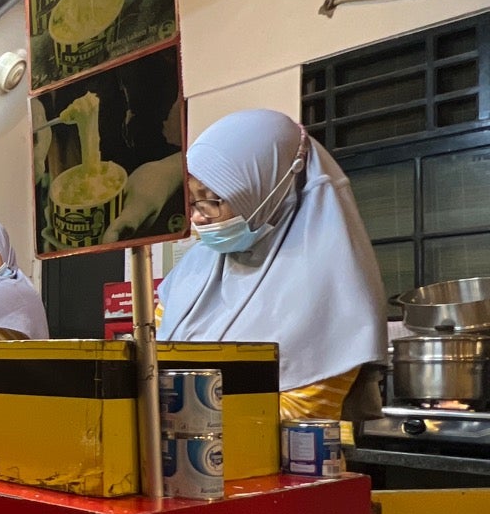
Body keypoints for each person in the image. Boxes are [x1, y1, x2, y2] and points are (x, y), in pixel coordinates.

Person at [157, 109, 386, 422]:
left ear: (271, 190)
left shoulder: (331, 289)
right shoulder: (190, 274)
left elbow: (302, 415)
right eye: (192, 200)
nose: (197, 217)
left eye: (213, 200)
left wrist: (174, 416)